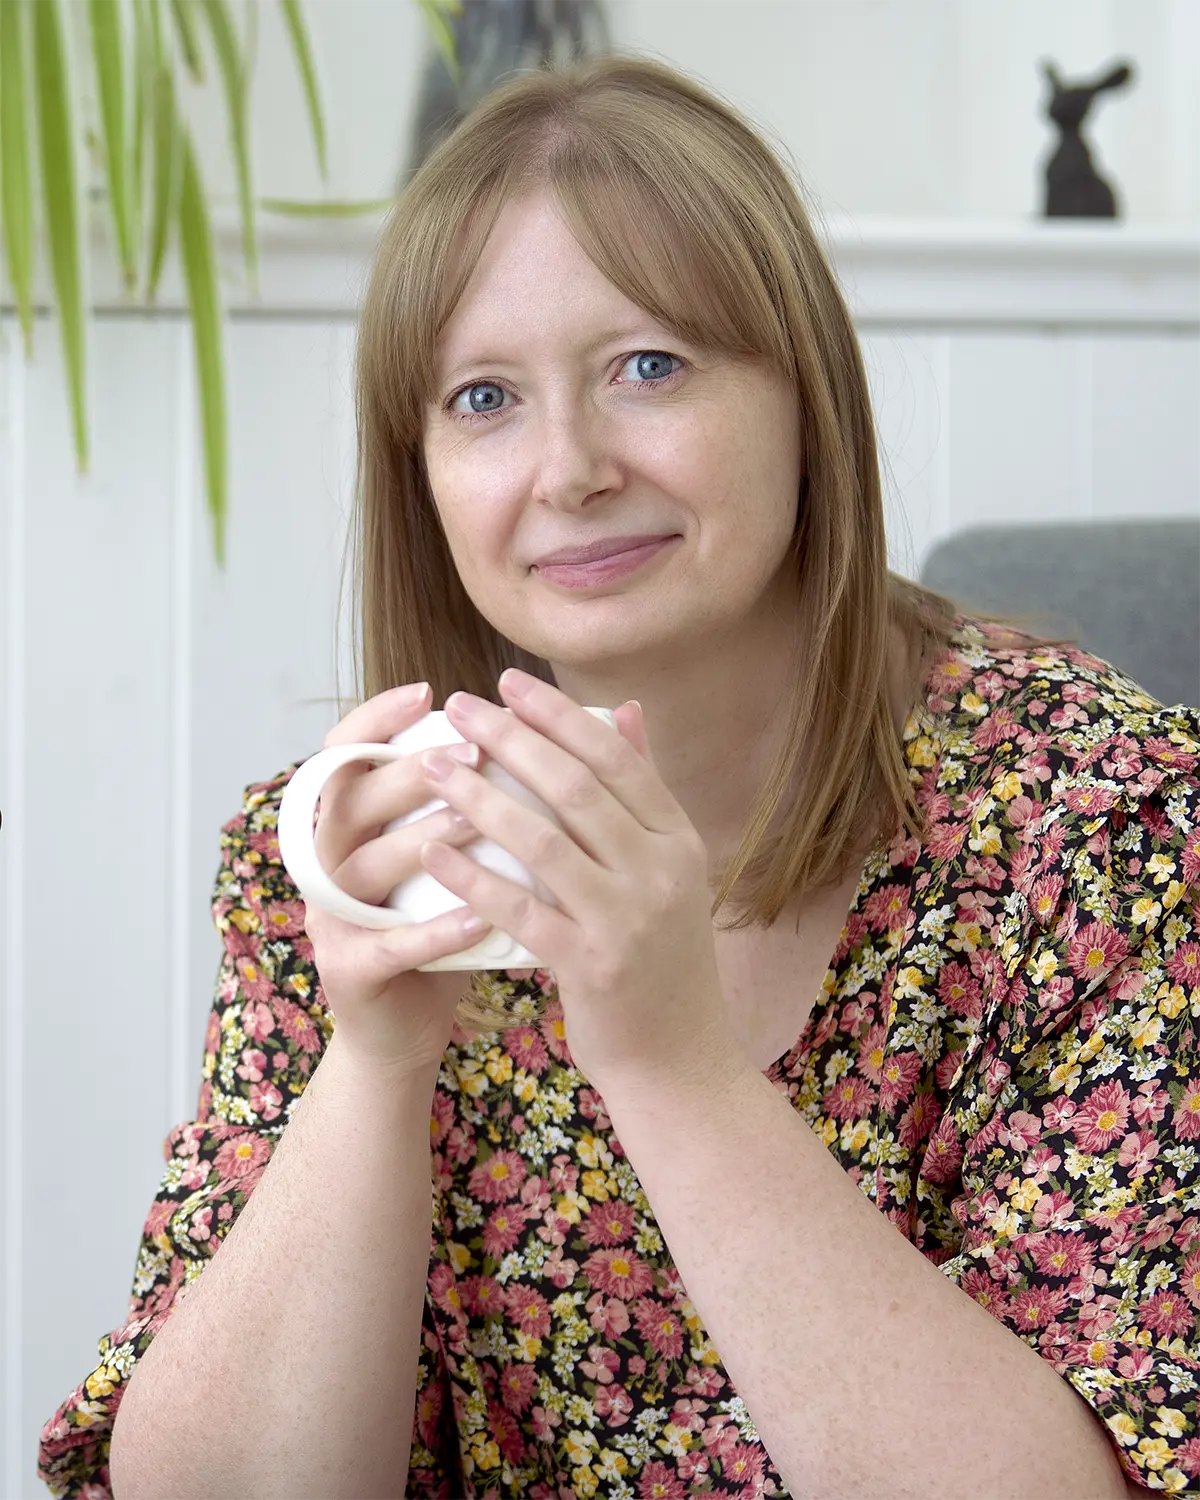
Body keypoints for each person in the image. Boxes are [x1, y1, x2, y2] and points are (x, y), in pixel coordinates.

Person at [37, 52, 1200, 1500]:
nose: (570, 466)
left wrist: (674, 1066)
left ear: (804, 395)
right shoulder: (354, 852)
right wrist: (376, 1060)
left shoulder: (1099, 821)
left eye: (649, 366)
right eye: (482, 399)